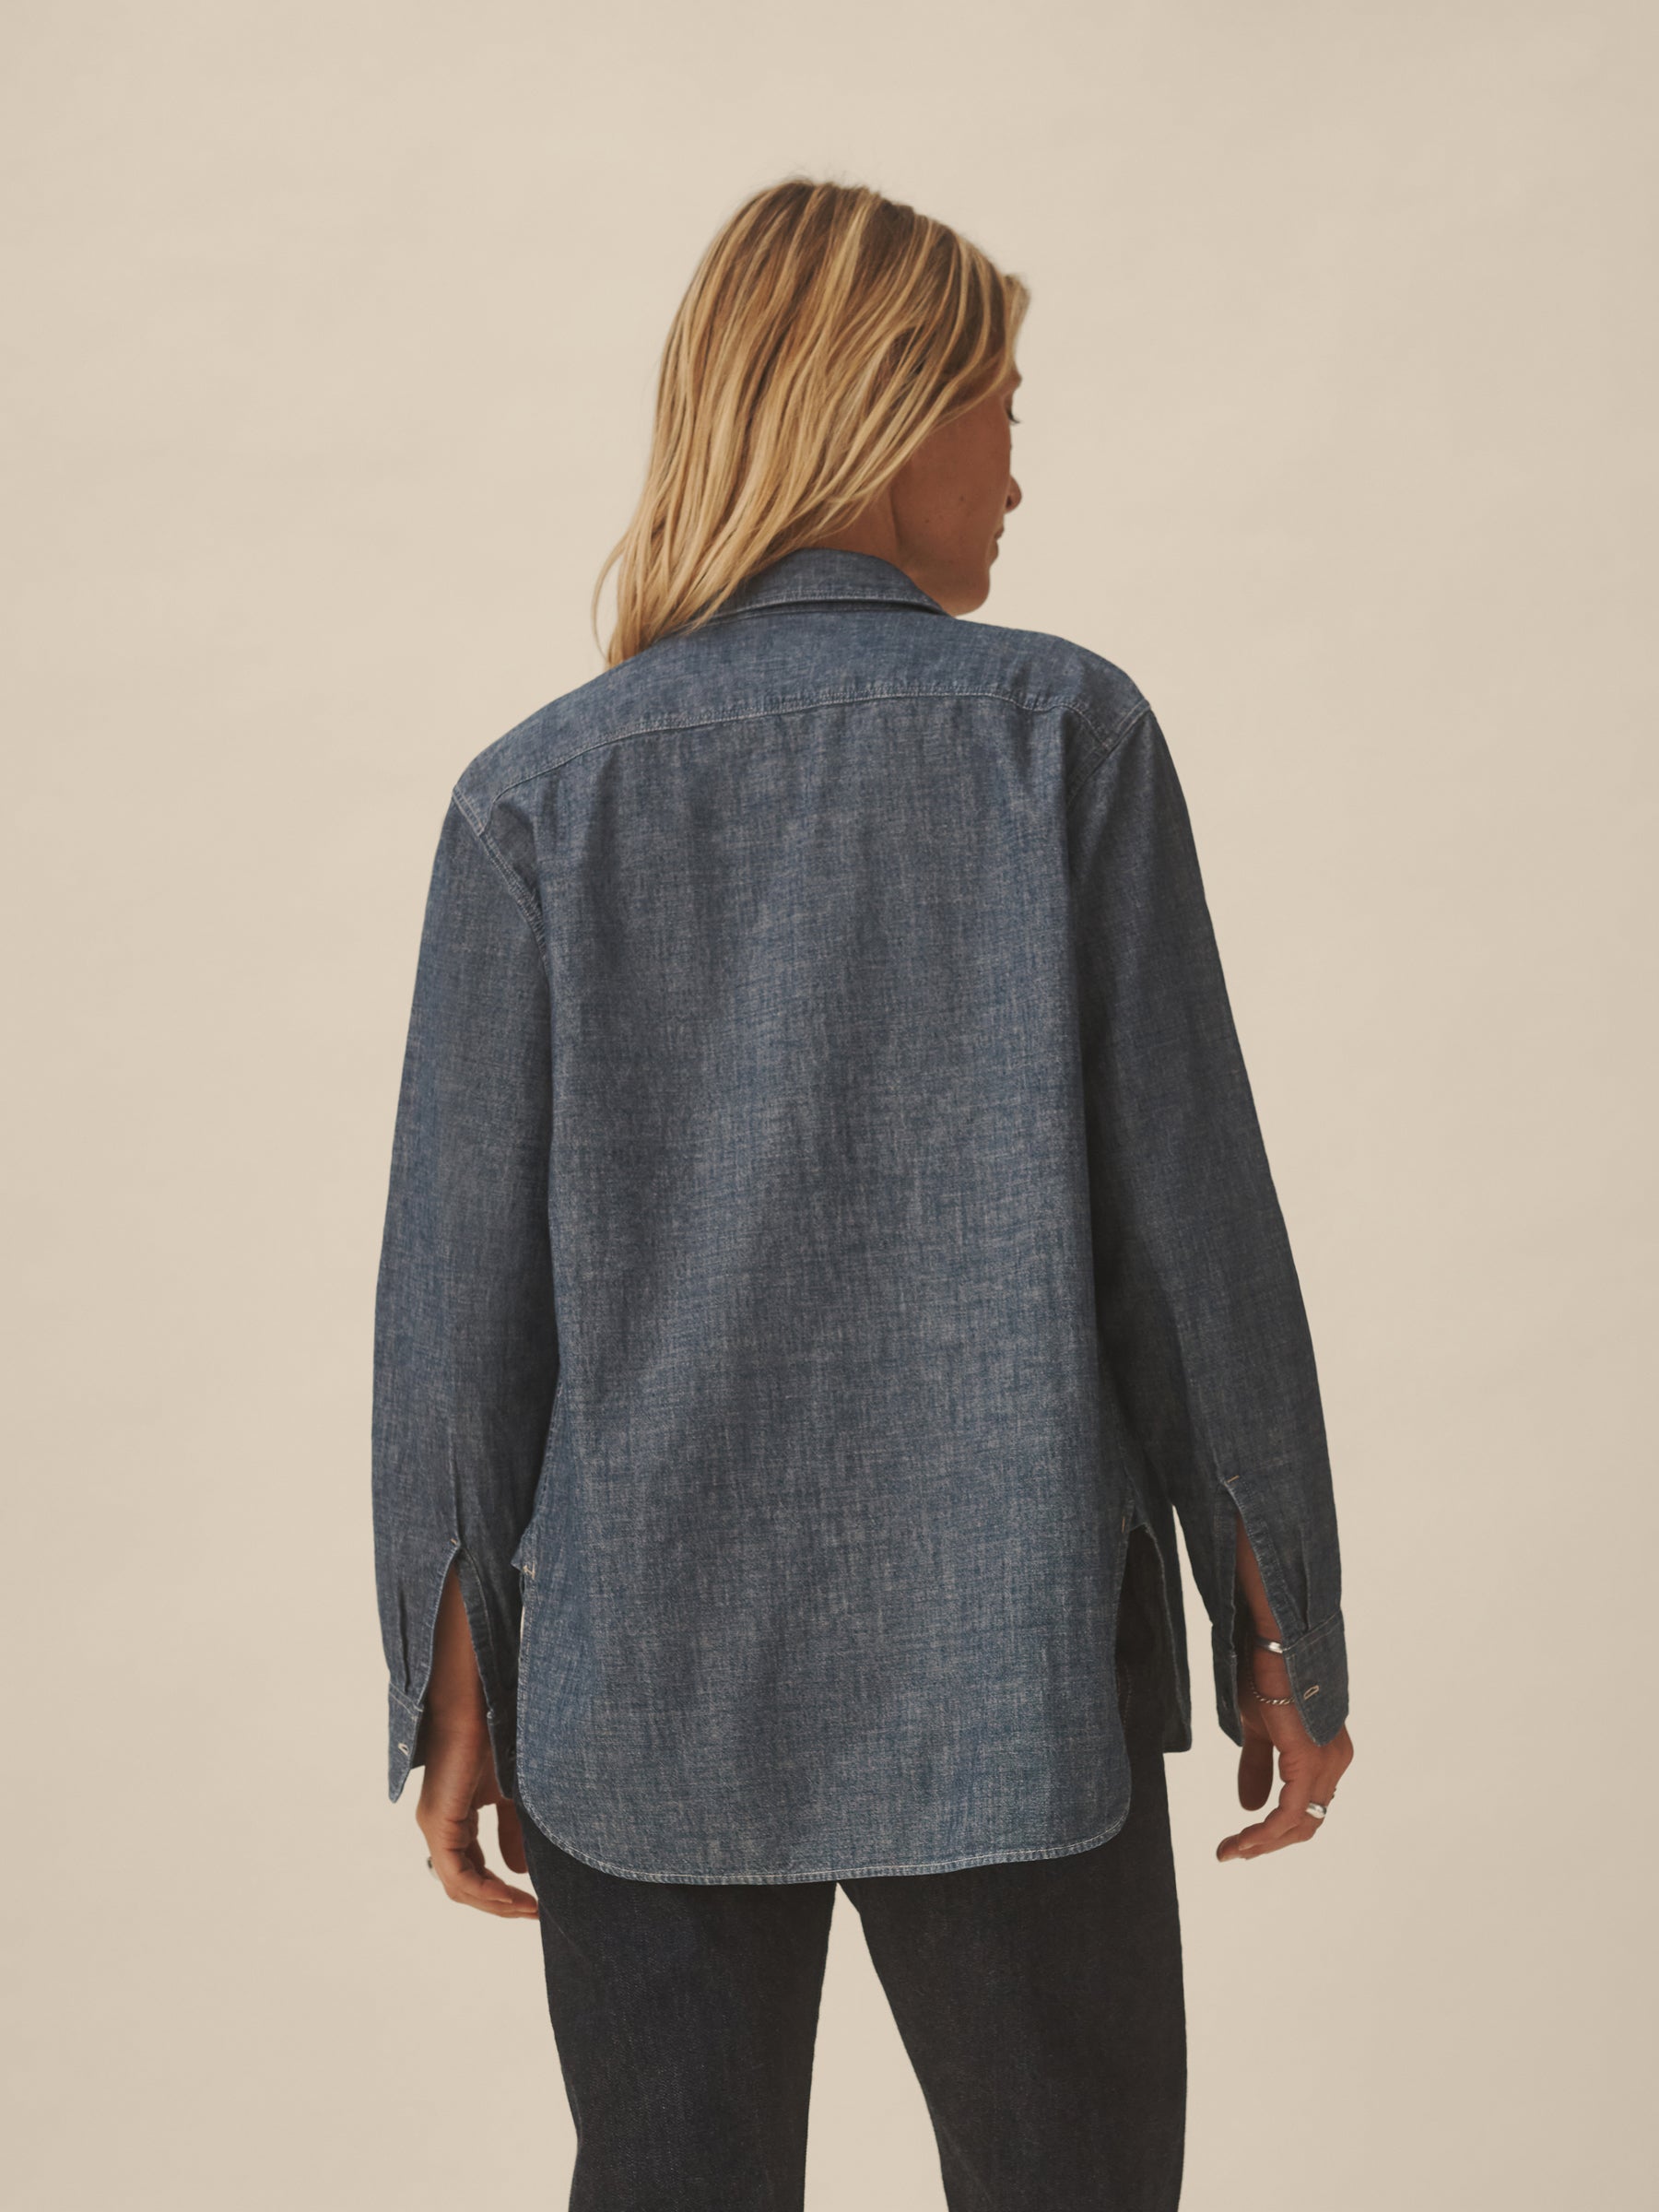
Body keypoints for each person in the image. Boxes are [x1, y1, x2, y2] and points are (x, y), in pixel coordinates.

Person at [371, 175, 1355, 2210]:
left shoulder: (536, 799)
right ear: (894, 414)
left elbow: (462, 1314)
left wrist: (451, 1683)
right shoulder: (1065, 738)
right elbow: (1192, 1245)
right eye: (1004, 408)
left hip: (641, 1683)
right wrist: (1284, 1622)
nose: (1020, 470)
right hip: (1015, 1662)